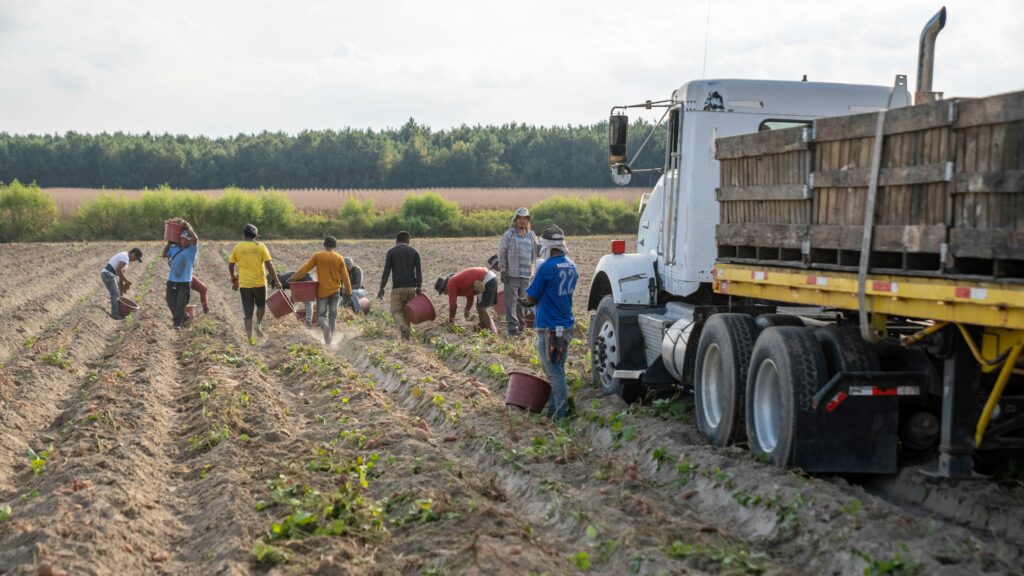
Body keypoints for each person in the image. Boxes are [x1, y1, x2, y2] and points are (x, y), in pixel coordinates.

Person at [520, 224, 578, 423]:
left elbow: (532, 297)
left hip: (551, 327)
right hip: (566, 324)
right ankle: (553, 408)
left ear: (545, 246)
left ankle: (562, 413)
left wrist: (525, 301)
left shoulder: (546, 267)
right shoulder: (571, 265)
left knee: (553, 371)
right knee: (557, 368)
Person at [291, 236, 352, 345]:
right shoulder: (339, 258)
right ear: (334, 246)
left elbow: (305, 269)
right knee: (333, 316)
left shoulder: (318, 256)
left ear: (324, 245)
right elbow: (345, 277)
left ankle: (324, 326)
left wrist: (293, 278)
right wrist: (348, 291)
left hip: (322, 292)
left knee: (321, 316)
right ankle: (330, 338)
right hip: (335, 292)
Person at [228, 223, 282, 341]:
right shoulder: (261, 246)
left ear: (244, 235)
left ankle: (249, 337)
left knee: (247, 311)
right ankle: (258, 324)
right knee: (261, 306)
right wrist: (277, 280)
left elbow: (231, 264)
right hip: (260, 283)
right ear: (255, 236)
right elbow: (269, 264)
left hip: (244, 284)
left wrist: (234, 280)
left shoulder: (238, 247)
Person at [497, 207, 538, 337]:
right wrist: (503, 270)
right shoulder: (509, 234)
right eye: (519, 218)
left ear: (527, 220)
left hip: (526, 274)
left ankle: (521, 326)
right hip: (512, 274)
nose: (522, 221)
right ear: (515, 220)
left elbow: (538, 251)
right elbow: (502, 253)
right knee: (511, 302)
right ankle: (512, 329)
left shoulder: (531, 235)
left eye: (524, 218)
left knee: (522, 302)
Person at [377, 230, 422, 341]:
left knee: (395, 311)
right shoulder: (414, 252)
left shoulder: (391, 252)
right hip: (411, 288)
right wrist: (419, 287)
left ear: (396, 241)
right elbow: (419, 272)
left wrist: (382, 287)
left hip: (397, 288)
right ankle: (405, 339)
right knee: (407, 313)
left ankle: (404, 328)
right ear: (408, 241)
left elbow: (386, 271)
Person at [435, 262, 499, 335]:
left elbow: (453, 306)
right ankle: (484, 329)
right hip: (488, 278)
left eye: (443, 292)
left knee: (482, 308)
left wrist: (451, 320)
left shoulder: (450, 284)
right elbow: (470, 297)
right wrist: (467, 309)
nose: (445, 294)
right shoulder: (457, 282)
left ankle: (494, 333)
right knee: (480, 307)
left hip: (486, 279)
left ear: (443, 288)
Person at [164, 219, 199, 329]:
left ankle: (177, 324)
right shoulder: (174, 249)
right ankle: (184, 317)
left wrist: (188, 227)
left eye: (186, 240)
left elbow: (196, 239)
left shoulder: (192, 250)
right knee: (170, 301)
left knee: (181, 303)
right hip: (172, 280)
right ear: (178, 239)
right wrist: (169, 243)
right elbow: (164, 254)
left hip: (184, 281)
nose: (184, 241)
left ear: (189, 241)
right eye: (182, 239)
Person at [100, 247, 142, 320]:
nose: (135, 260)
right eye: (136, 258)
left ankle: (118, 313)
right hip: (108, 274)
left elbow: (120, 275)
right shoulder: (125, 256)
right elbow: (118, 270)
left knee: (117, 293)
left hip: (109, 274)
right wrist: (126, 281)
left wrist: (121, 289)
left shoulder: (126, 261)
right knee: (115, 294)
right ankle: (115, 315)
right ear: (133, 254)